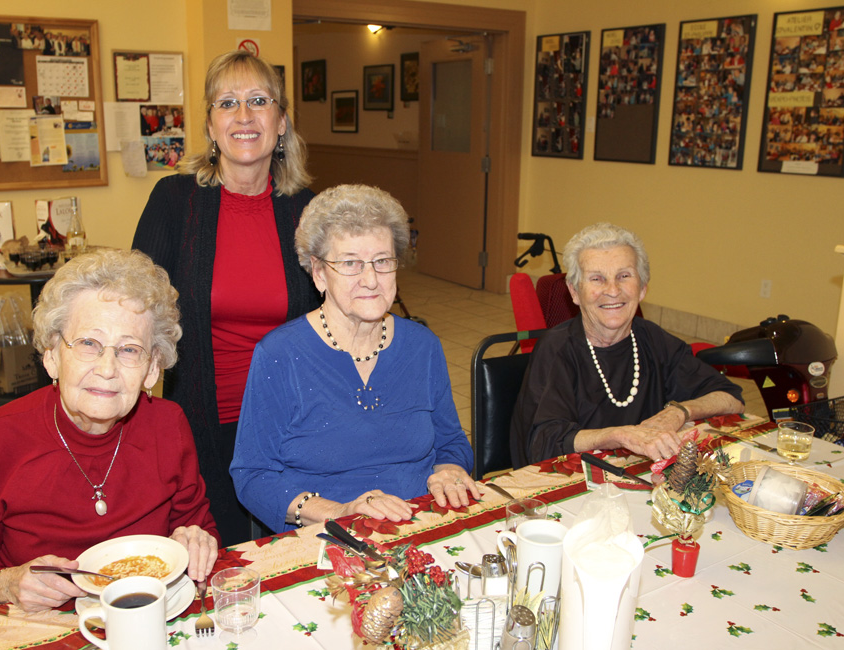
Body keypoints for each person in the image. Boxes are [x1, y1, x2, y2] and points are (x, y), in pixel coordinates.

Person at [0, 250, 219, 618]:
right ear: (51, 355)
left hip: (146, 620)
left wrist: (196, 540)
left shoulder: (168, 424)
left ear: (151, 370)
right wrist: (7, 584)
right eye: (87, 344)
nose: (107, 368)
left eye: (130, 350)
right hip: (42, 629)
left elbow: (201, 530)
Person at [132, 50, 318, 546]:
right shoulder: (174, 201)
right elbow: (136, 305)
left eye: (259, 101)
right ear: (211, 127)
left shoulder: (308, 210)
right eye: (227, 103)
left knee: (295, 551)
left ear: (280, 122)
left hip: (295, 416)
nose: (243, 116)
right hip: (200, 416)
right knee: (218, 551)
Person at [230, 184, 479, 534]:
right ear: (318, 273)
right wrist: (339, 511)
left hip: (418, 524)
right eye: (350, 263)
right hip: (328, 537)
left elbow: (451, 442)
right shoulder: (279, 355)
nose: (370, 279)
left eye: (382, 261)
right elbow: (253, 476)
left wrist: (449, 470)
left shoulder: (423, 346)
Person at [509, 222, 744, 467]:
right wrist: (618, 436)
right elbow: (541, 443)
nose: (612, 290)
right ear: (575, 292)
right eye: (597, 279)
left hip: (643, 477)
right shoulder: (557, 350)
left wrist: (679, 412)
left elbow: (731, 397)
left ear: (642, 288)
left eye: (624, 276)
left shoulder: (653, 339)